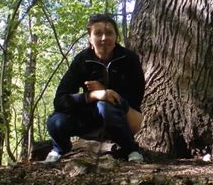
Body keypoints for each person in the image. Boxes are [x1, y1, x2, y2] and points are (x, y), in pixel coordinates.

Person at [44, 13, 145, 163]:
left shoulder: (129, 59)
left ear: (116, 36)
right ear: (90, 37)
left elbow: (135, 97)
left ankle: (131, 149)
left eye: (109, 33)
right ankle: (60, 149)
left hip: (120, 116)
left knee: (105, 106)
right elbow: (60, 100)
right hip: (87, 115)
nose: (104, 38)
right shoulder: (82, 60)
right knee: (55, 121)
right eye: (98, 33)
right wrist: (94, 95)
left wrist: (107, 91)